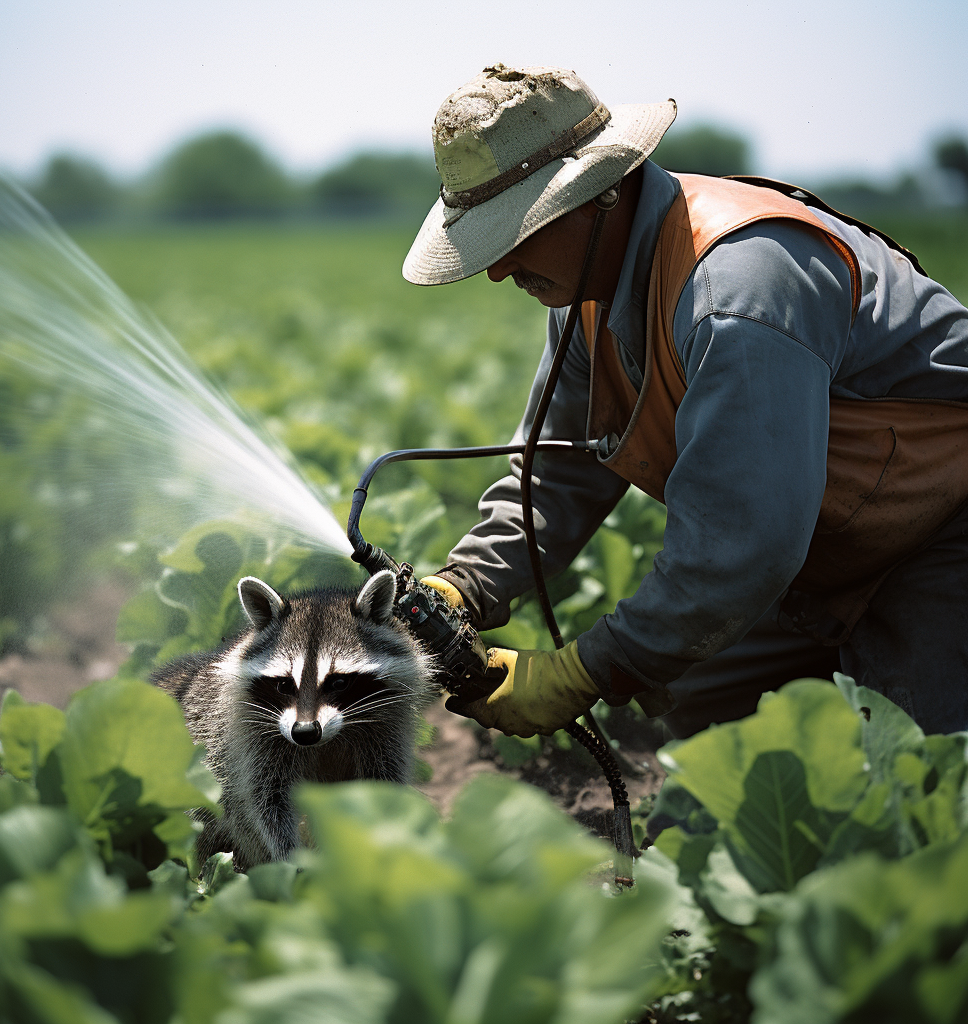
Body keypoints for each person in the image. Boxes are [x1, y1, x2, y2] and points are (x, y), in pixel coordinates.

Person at [406, 63, 968, 739]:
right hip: (831, 551)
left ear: (600, 194)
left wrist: (584, 670)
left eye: (514, 234)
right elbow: (557, 472)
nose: (497, 268)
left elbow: (743, 546)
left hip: (943, 536)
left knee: (924, 786)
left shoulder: (737, 289)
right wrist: (464, 585)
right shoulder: (586, 296)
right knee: (702, 708)